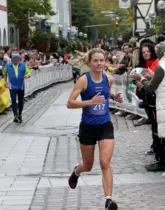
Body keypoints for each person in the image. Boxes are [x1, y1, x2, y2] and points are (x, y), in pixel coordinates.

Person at [67, 49, 122, 210]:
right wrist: (88, 102)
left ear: (105, 62)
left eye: (102, 60)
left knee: (105, 162)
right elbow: (70, 103)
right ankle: (76, 171)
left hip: (105, 125)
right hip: (88, 128)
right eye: (96, 61)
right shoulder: (83, 80)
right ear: (89, 63)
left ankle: (108, 200)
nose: (99, 64)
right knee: (88, 166)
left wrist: (113, 97)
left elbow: (106, 94)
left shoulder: (108, 78)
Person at [4, 51, 31, 123]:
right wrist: (5, 82)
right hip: (12, 86)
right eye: (13, 59)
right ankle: (15, 115)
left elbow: (29, 72)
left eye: (16, 59)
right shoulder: (8, 65)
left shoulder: (23, 65)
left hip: (20, 86)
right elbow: (5, 73)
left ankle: (20, 114)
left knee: (21, 101)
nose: (15, 60)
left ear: (19, 58)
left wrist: (27, 75)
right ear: (11, 59)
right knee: (13, 100)